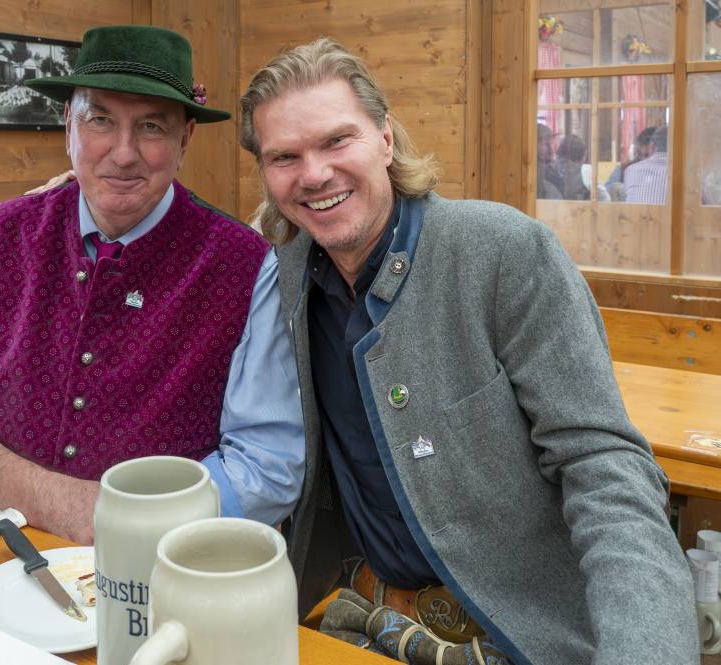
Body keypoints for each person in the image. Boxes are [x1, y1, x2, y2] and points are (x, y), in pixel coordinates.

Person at [237, 38, 696, 665]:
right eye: (285, 156)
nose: (314, 174)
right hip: (356, 615)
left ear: (387, 139)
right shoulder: (285, 269)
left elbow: (606, 470)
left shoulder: (504, 253)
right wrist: (65, 197)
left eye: (337, 141)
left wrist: (644, 651)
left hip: (519, 633)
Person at [0, 25, 304, 545]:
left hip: (159, 573)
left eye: (151, 128)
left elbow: (268, 466)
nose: (123, 153)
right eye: (100, 120)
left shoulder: (246, 267)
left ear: (185, 140)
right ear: (67, 125)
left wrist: (128, 527)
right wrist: (62, 503)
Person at [605, 125, 656, 201]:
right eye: (644, 155)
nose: (646, 161)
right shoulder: (624, 168)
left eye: (649, 155)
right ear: (638, 150)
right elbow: (607, 192)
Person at [624, 125, 669, 204]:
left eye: (646, 155)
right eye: (641, 155)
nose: (644, 158)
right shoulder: (688, 175)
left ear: (651, 146)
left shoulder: (631, 170)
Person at [535, 123, 561, 199]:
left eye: (551, 143)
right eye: (544, 144)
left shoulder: (552, 170)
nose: (551, 148)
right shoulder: (540, 172)